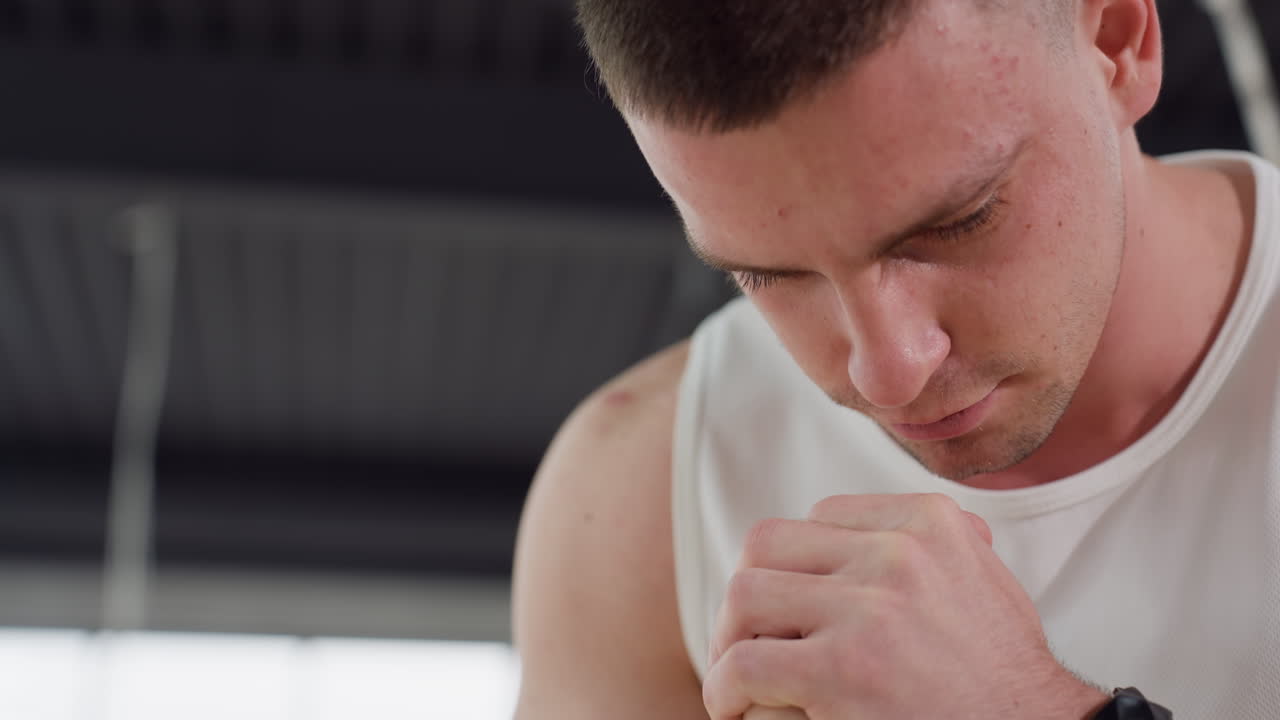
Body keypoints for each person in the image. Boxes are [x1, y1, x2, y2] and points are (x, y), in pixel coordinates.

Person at [512, 0, 1280, 717]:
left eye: (958, 222)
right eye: (769, 276)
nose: (889, 371)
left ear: (1117, 41)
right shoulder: (642, 492)